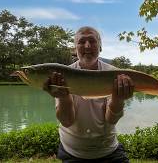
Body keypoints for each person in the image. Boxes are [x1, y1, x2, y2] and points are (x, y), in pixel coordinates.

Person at [43, 26, 134, 163]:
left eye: (92, 41)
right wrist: (63, 97)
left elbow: (111, 120)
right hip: (72, 152)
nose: (87, 45)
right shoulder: (62, 74)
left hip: (108, 150)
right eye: (81, 42)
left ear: (100, 47)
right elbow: (67, 121)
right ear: (75, 49)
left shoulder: (115, 74)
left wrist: (118, 100)